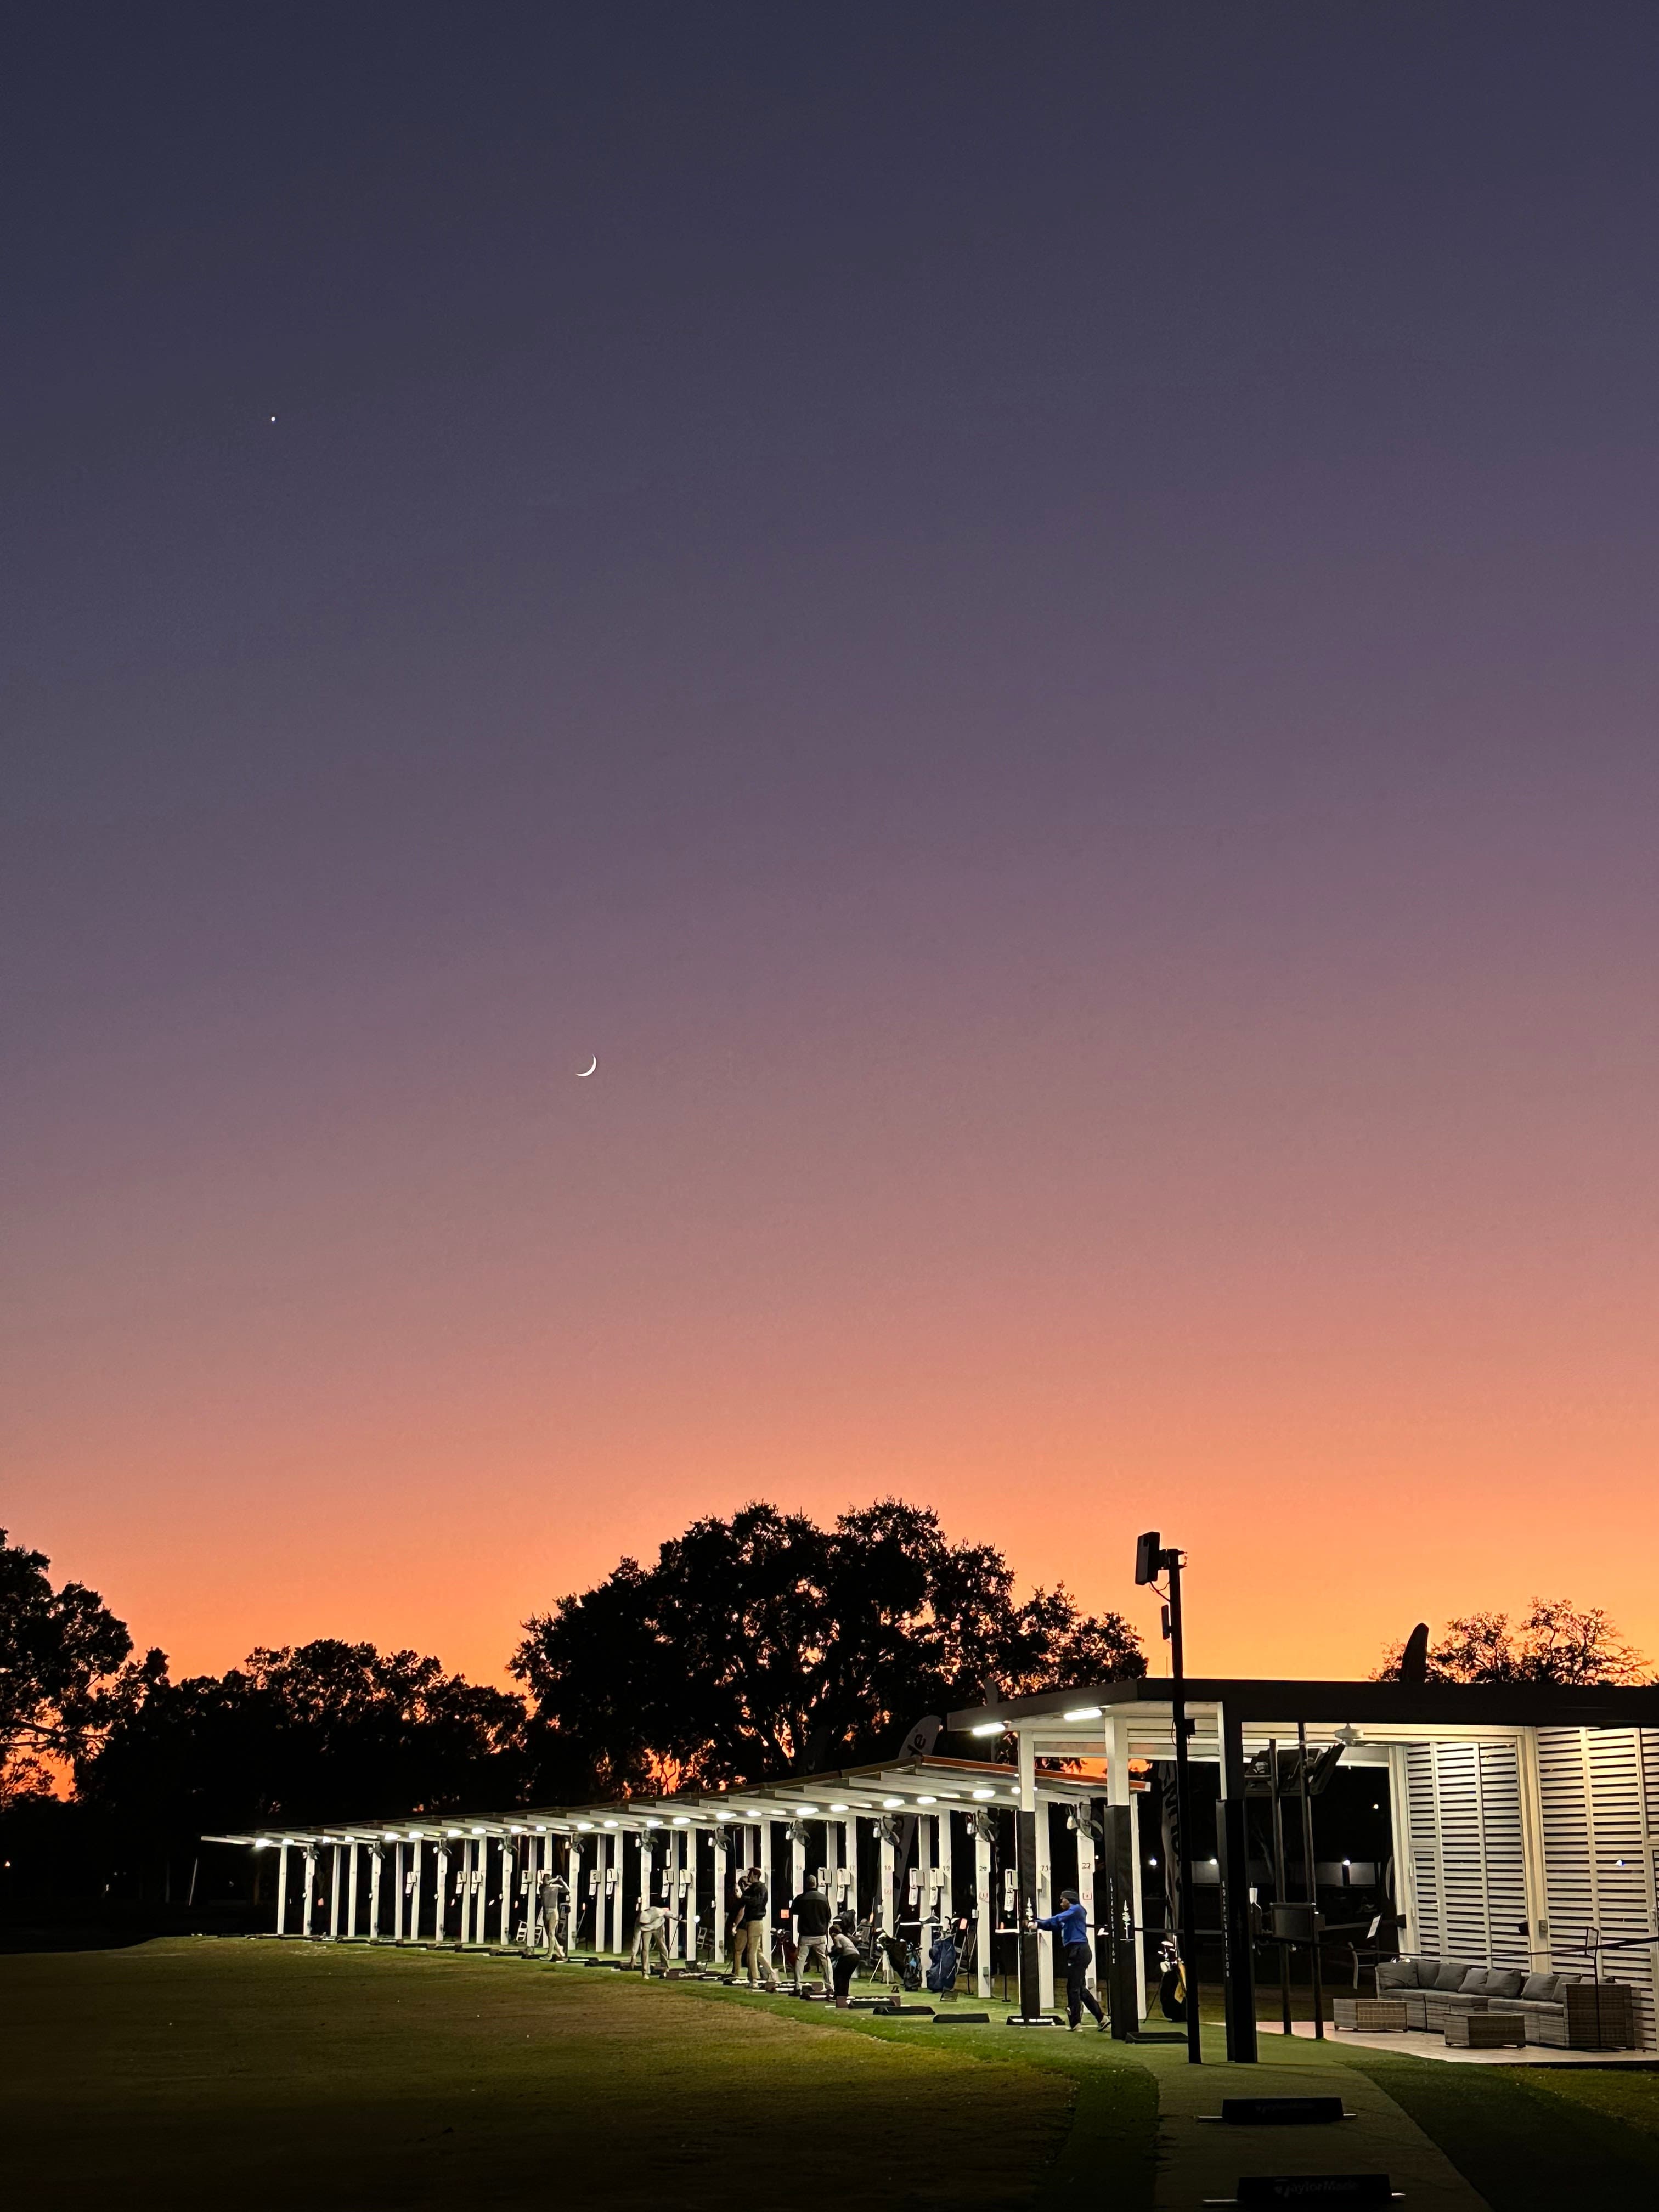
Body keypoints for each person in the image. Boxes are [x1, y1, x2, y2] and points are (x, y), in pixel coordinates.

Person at [1035, 1887, 1105, 2031]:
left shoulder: (1077, 1910)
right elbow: (1053, 1924)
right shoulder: (1069, 1916)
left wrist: (1036, 1923)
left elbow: (1057, 1919)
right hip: (1078, 1951)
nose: (1061, 1901)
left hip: (1079, 1951)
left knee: (1073, 1988)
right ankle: (1102, 2019)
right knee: (1079, 1989)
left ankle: (1076, 2023)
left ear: (1070, 1900)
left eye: (1063, 1899)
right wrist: (1037, 1923)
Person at [727, 1867, 779, 1989]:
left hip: (755, 1922)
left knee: (752, 1952)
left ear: (755, 1875)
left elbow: (756, 1902)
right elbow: (743, 1902)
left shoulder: (761, 1888)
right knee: (754, 1951)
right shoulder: (753, 1889)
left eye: (750, 1875)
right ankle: (770, 1973)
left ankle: (754, 1979)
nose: (748, 1877)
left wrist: (743, 1897)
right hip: (751, 1922)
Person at [790, 1873, 834, 1994]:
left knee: (800, 1961)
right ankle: (830, 1986)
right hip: (820, 1935)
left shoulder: (801, 1898)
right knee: (825, 1961)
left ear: (806, 1885)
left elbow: (793, 1911)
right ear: (816, 1884)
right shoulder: (823, 1898)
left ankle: (798, 1986)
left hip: (805, 1935)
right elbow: (828, 1916)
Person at [630, 1897, 674, 1976]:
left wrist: (678, 1918)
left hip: (658, 1927)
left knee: (662, 1946)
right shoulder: (639, 1924)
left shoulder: (656, 1911)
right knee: (645, 1949)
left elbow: (667, 1913)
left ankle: (667, 1967)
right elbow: (636, 1940)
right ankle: (645, 1972)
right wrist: (634, 1956)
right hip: (647, 1931)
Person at [536, 1868, 568, 1960]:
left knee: (551, 1933)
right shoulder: (542, 1887)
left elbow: (567, 1889)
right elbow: (547, 1883)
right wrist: (556, 1879)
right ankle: (560, 1950)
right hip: (545, 1913)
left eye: (545, 1878)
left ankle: (549, 1955)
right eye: (544, 1879)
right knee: (550, 1934)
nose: (544, 1880)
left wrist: (561, 1881)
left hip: (553, 1913)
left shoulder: (555, 1887)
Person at [830, 1911, 860, 2007]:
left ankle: (838, 1994)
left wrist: (830, 1954)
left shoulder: (837, 1937)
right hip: (856, 1956)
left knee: (837, 1973)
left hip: (849, 1956)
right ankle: (844, 1994)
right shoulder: (844, 1937)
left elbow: (839, 1949)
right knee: (846, 1976)